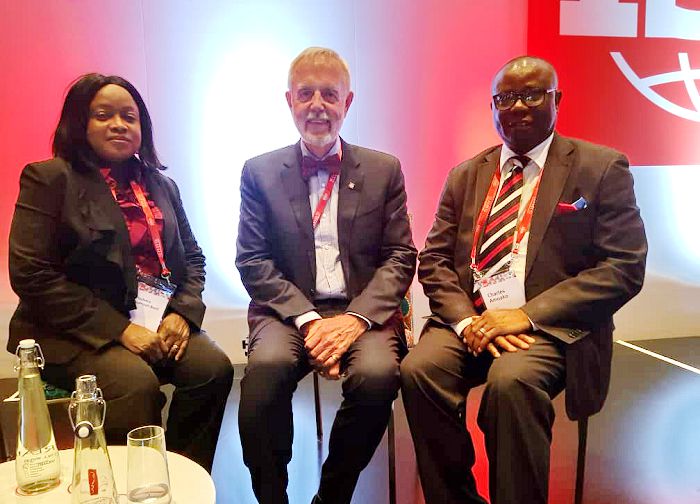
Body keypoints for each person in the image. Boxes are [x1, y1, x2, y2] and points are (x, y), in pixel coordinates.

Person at [400, 56, 647, 504]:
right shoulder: (465, 174)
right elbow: (433, 259)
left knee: (510, 383)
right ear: (493, 107)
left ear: (558, 99)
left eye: (532, 94)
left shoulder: (601, 167)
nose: (517, 106)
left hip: (549, 327)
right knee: (419, 370)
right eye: (505, 98)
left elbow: (624, 267)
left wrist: (526, 317)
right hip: (470, 320)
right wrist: (465, 322)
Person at [7, 73, 233, 472]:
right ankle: (133, 485)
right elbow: (31, 274)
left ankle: (182, 474)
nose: (119, 124)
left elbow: (193, 258)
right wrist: (119, 330)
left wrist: (183, 312)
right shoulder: (49, 178)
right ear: (79, 122)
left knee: (212, 369)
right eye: (103, 115)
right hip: (75, 331)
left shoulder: (162, 185)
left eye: (129, 117)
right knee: (135, 385)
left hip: (154, 320)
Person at [236, 47, 416, 504]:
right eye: (306, 93)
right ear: (289, 101)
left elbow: (400, 255)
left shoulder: (383, 169)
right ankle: (272, 497)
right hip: (289, 312)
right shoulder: (259, 172)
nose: (317, 104)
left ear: (348, 103)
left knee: (377, 376)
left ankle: (332, 495)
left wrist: (355, 320)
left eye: (329, 94)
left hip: (362, 312)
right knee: (264, 373)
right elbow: (253, 260)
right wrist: (310, 322)